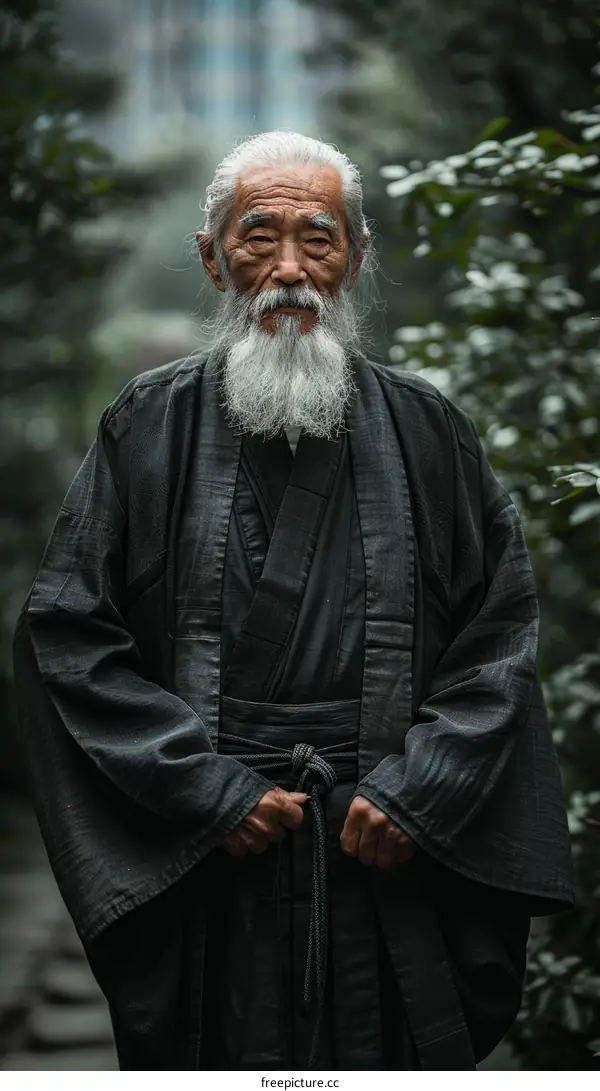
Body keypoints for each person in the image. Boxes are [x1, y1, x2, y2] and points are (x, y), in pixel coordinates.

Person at [12, 131, 574, 1072]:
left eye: (317, 239)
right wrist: (208, 791)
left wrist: (421, 790)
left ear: (353, 257)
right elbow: (66, 633)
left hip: (380, 840)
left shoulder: (431, 433)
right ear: (210, 255)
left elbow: (500, 634)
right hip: (214, 850)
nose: (287, 269)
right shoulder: (146, 426)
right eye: (256, 235)